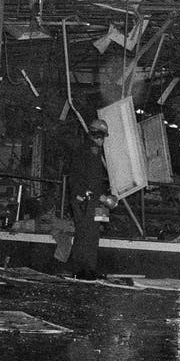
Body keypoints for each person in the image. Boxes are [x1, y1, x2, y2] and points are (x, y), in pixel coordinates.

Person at [64, 117, 116, 279]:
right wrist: (101, 198)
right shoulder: (90, 151)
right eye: (102, 137)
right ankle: (81, 270)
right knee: (86, 233)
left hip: (91, 200)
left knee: (92, 233)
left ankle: (88, 269)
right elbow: (90, 181)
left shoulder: (90, 151)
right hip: (88, 201)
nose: (103, 141)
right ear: (97, 135)